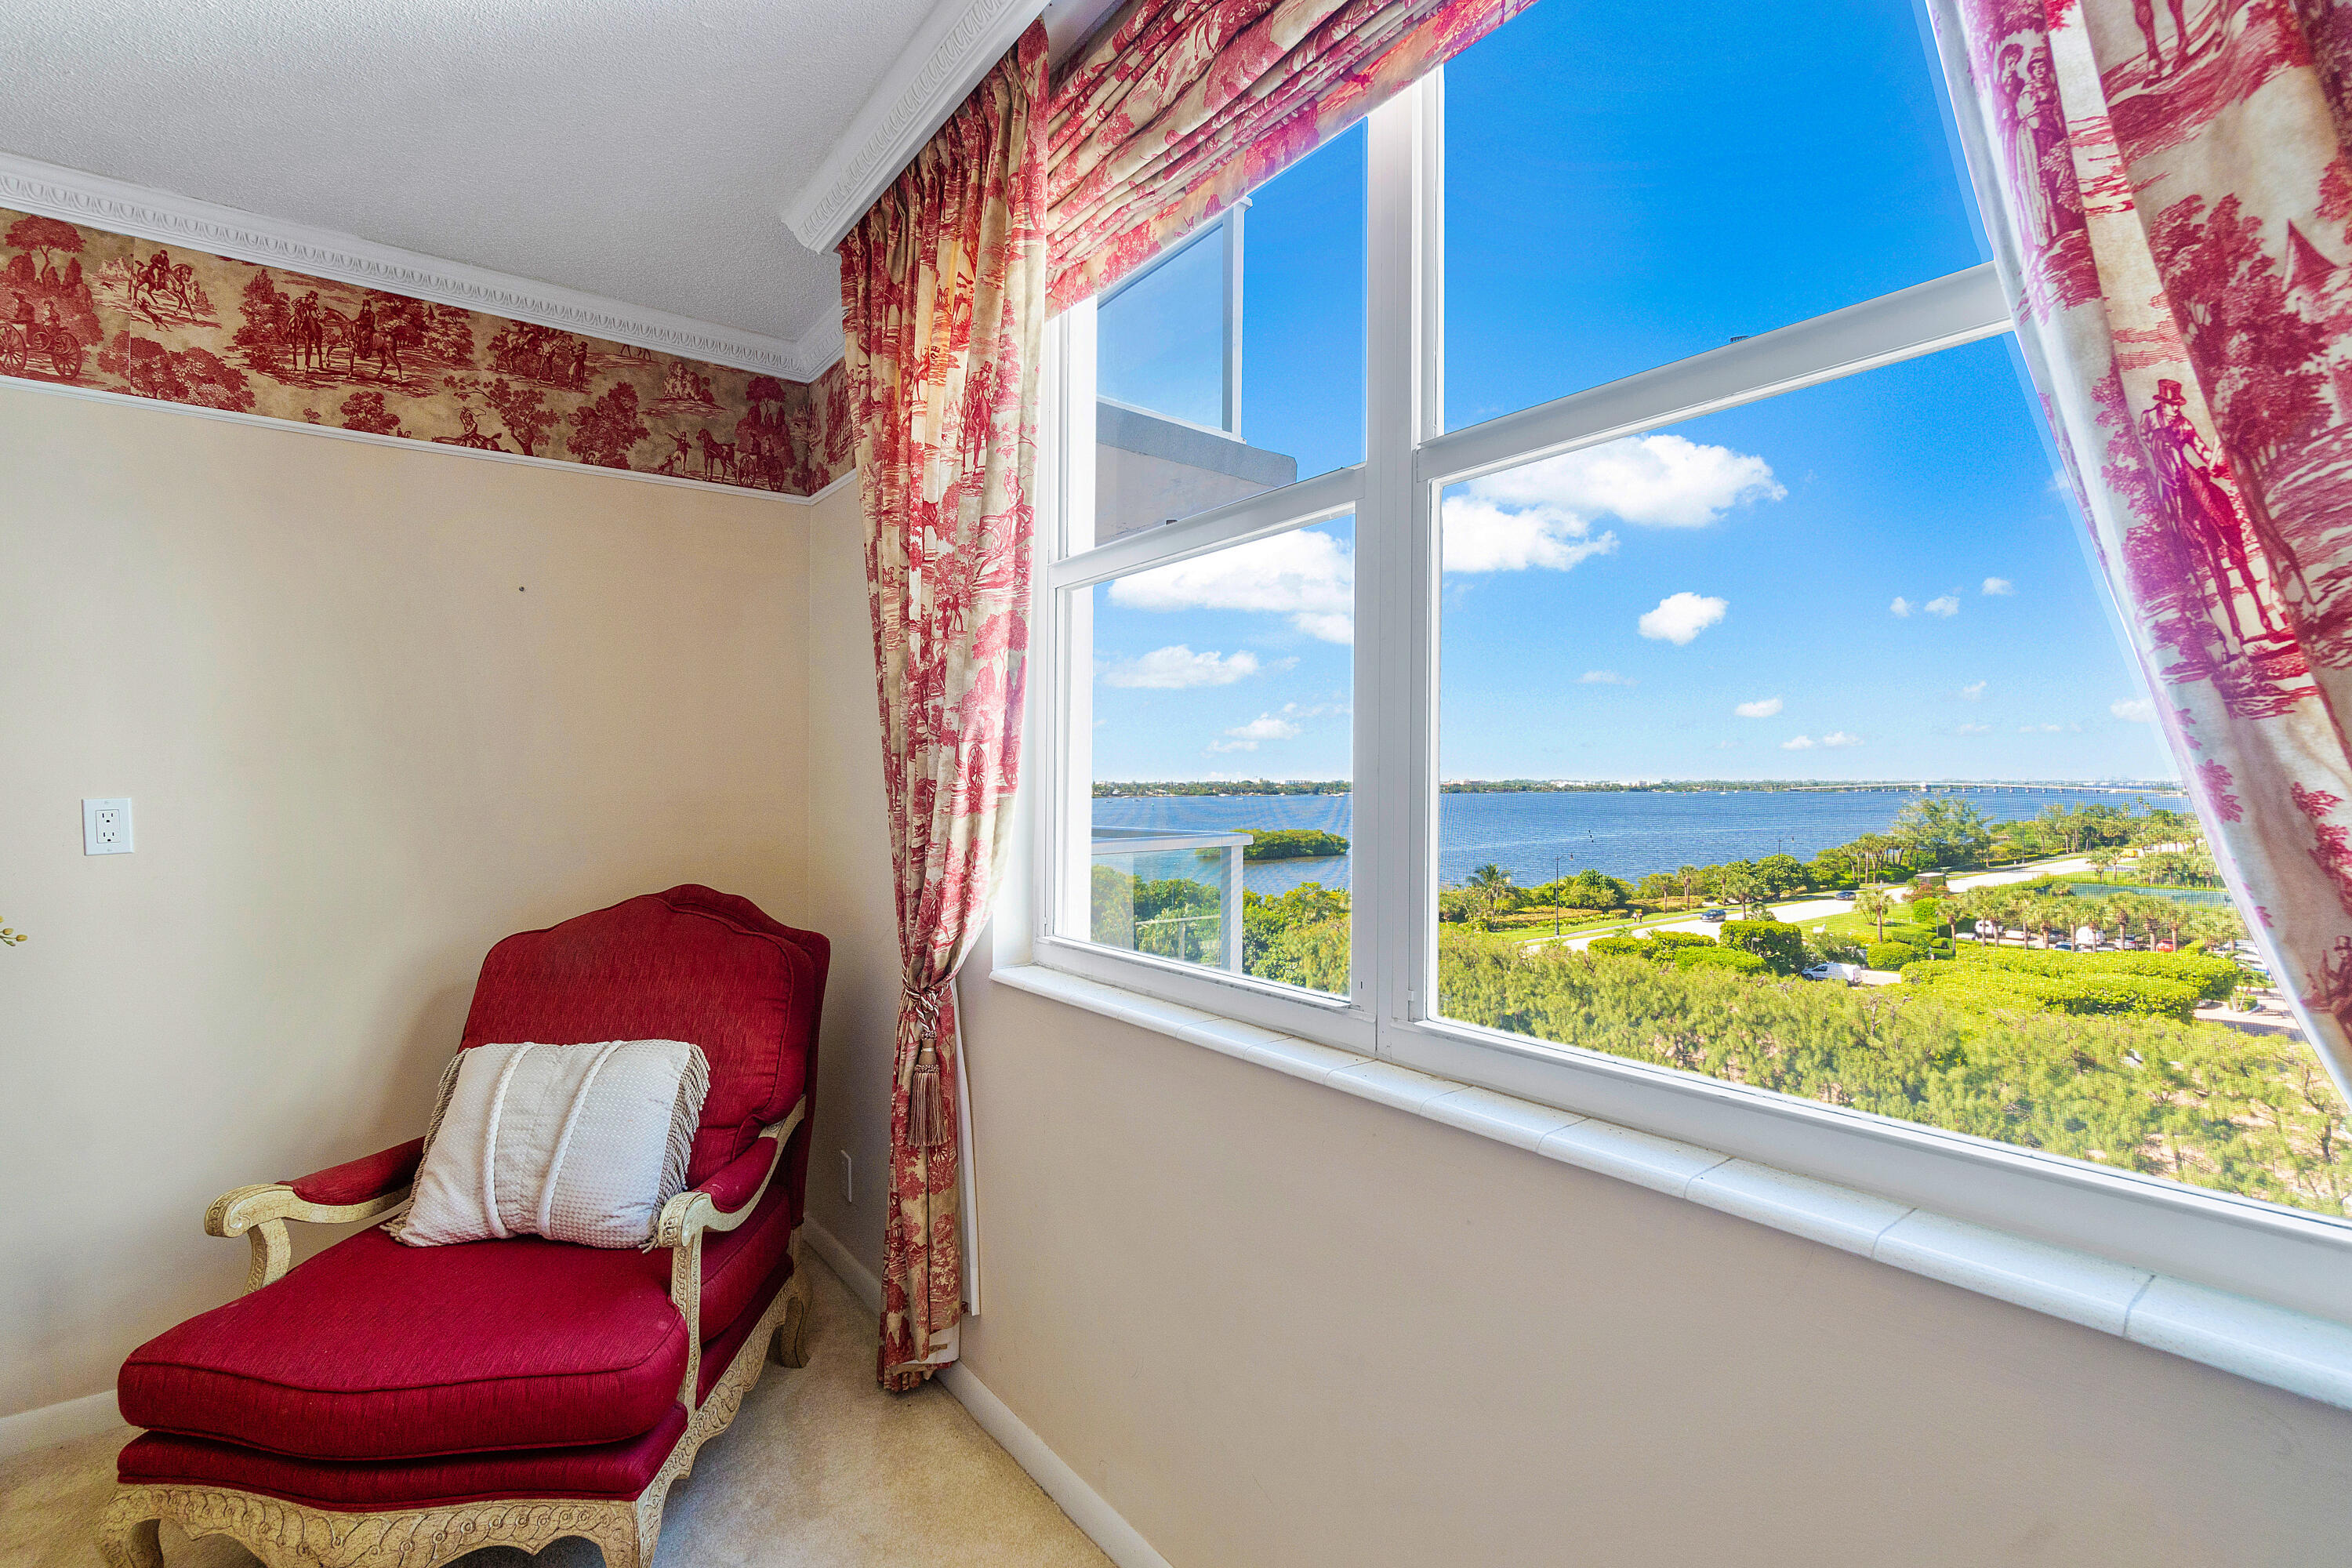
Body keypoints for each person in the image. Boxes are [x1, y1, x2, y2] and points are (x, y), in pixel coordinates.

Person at [2143, 379, 2280, 645]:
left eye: (2177, 404)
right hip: (2164, 474)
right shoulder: (2148, 420)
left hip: (2184, 470)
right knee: (2160, 516)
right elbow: (2148, 447)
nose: (2174, 409)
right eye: (2170, 405)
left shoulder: (2184, 424)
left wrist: (2214, 460)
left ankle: (2227, 536)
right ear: (2161, 403)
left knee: (2206, 494)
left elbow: (2202, 450)